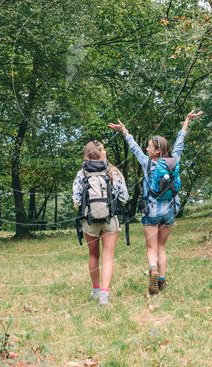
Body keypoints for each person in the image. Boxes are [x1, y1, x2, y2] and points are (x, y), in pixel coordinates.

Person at [108, 111, 203, 295]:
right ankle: (161, 281)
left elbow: (134, 147)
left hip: (151, 211)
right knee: (161, 247)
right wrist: (187, 121)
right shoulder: (173, 161)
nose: (146, 149)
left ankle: (153, 269)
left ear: (157, 151)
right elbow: (180, 143)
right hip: (169, 211)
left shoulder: (148, 163)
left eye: (149, 147)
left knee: (151, 247)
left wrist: (124, 131)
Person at [72, 140, 129, 306]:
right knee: (108, 256)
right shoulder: (113, 172)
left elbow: (76, 200)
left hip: (89, 220)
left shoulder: (81, 174)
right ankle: (105, 296)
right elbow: (124, 198)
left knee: (93, 255)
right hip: (110, 219)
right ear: (102, 153)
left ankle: (96, 290)